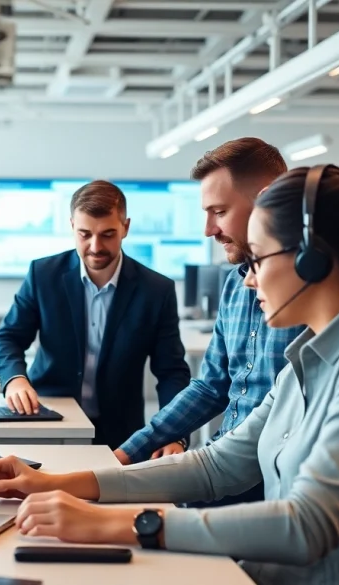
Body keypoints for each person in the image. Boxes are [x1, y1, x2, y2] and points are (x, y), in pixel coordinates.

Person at [0, 151, 339, 584]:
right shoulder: (314, 358)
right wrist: (63, 484)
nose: (248, 281)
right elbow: (218, 464)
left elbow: (307, 527)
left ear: (311, 260)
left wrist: (119, 524)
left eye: (259, 259)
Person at [114, 138, 300, 510]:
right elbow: (212, 385)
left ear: (266, 201)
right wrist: (131, 451)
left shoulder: (304, 295)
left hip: (268, 476)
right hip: (223, 459)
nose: (208, 230)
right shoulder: (235, 282)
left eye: (218, 211)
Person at [0, 180, 191, 448]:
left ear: (125, 228)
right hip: (50, 424)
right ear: (72, 226)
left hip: (121, 435)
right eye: (85, 234)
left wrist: (174, 434)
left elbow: (171, 372)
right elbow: (8, 338)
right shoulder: (43, 275)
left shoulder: (156, 290)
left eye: (107, 234)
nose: (95, 246)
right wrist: (15, 380)